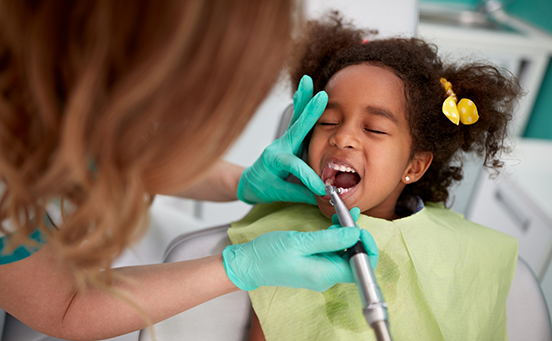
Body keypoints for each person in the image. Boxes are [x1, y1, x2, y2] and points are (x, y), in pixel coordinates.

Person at [0, 2, 377, 340]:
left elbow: (121, 155)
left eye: (375, 128)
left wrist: (242, 182)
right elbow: (65, 306)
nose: (343, 139)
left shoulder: (63, 89)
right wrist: (240, 267)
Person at [228, 14, 523, 341]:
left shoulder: (464, 256)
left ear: (414, 166)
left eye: (374, 129)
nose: (343, 138)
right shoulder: (282, 240)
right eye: (327, 122)